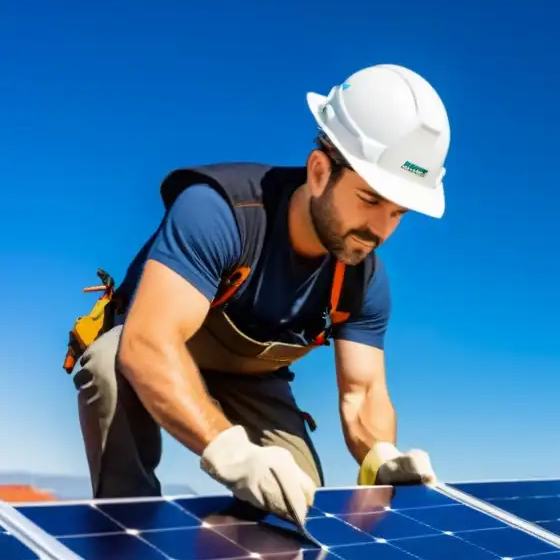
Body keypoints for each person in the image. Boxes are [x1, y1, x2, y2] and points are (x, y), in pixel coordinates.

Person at [67, 64, 450, 527]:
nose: (379, 230)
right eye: (369, 200)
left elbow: (363, 393)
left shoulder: (363, 278)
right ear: (318, 171)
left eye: (398, 213)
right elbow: (150, 343)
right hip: (154, 347)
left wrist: (381, 457)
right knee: (110, 364)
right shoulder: (220, 213)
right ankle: (126, 540)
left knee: (294, 504)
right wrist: (229, 450)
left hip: (251, 381)